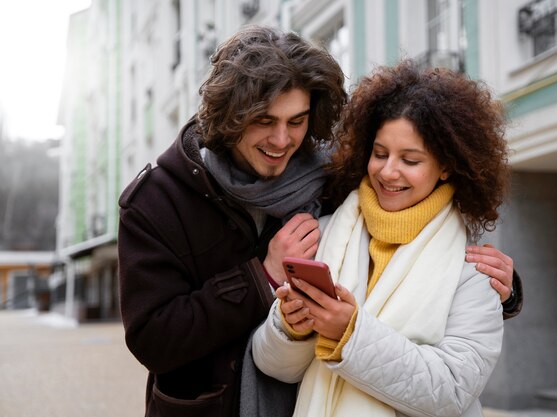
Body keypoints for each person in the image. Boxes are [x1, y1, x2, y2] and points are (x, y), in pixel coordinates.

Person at [118, 25, 519, 417]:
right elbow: (153, 340)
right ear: (230, 115)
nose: (281, 140)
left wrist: (502, 287)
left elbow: (413, 241)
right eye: (263, 120)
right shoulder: (157, 200)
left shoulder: (333, 176)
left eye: (296, 121)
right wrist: (263, 276)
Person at [252, 60, 511, 417]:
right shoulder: (323, 233)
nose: (388, 172)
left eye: (410, 160)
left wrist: (350, 333)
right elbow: (272, 366)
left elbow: (452, 391)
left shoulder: (475, 268)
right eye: (380, 153)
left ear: (447, 165)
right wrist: (289, 328)